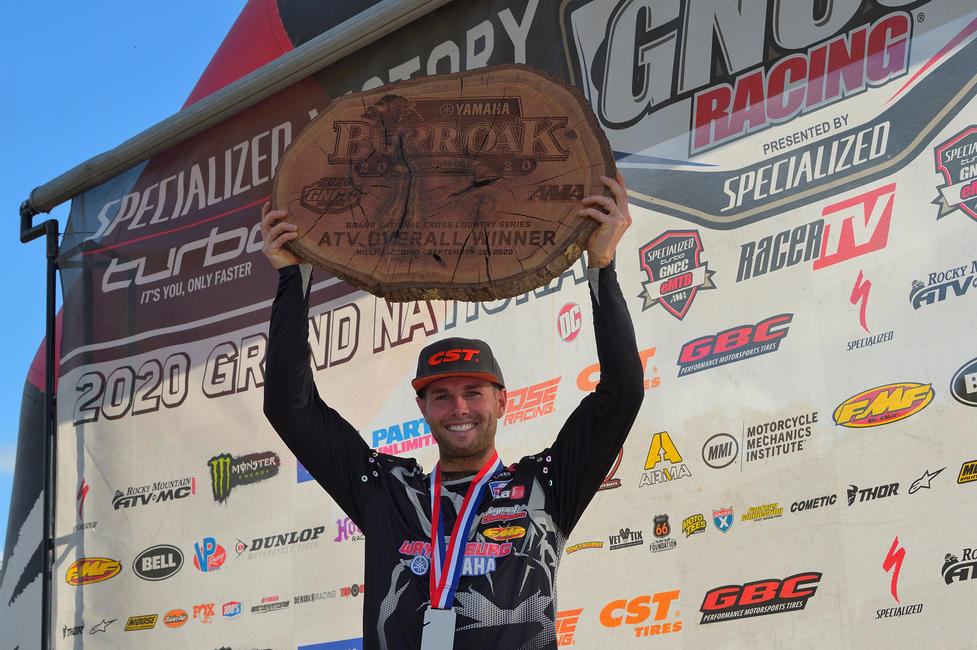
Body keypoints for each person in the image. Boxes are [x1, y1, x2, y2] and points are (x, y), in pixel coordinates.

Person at [261, 172, 644, 650]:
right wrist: (291, 276)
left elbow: (622, 393)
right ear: (422, 407)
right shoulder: (387, 494)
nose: (459, 407)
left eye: (474, 392)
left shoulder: (544, 487)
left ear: (502, 401)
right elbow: (289, 406)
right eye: (441, 395)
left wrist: (602, 266)